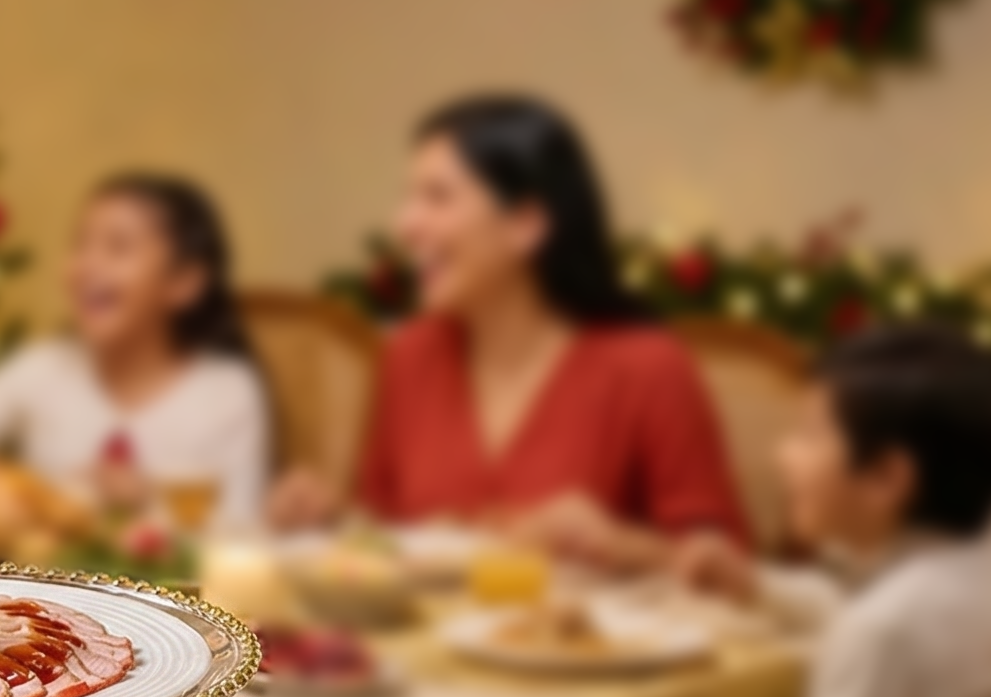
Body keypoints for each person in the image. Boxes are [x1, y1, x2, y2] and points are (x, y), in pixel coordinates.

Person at [273, 95, 750, 567]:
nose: (405, 225)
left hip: (596, 639)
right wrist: (330, 516)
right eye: (410, 198)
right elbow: (386, 531)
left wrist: (614, 543)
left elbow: (727, 567)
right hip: (422, 643)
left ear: (526, 223)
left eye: (437, 197)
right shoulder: (410, 355)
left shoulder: (647, 365)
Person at [685, 325, 991, 697]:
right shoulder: (975, 576)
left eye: (808, 434)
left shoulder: (893, 629)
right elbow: (854, 609)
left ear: (886, 477)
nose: (783, 456)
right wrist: (754, 584)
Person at [0, 173, 269, 533]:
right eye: (80, 244)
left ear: (184, 282)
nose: (86, 265)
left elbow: (244, 535)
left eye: (118, 247)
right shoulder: (41, 367)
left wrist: (147, 500)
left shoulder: (226, 392)